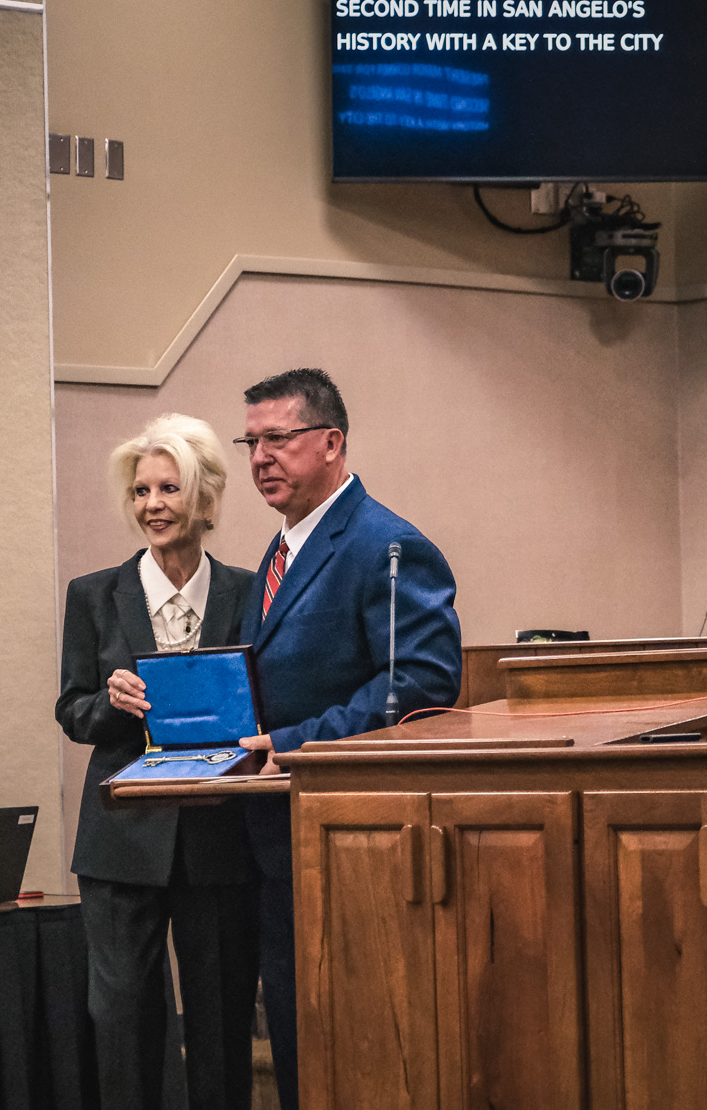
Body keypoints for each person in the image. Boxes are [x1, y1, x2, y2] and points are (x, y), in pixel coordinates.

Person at [232, 368, 462, 1109]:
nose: (260, 457)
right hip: (280, 837)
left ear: (331, 443)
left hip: (353, 839)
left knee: (355, 1044)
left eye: (278, 438)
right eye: (251, 442)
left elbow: (420, 683)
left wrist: (295, 744)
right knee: (298, 1040)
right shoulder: (279, 551)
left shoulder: (387, 543)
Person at [57, 414, 259, 1110]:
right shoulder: (93, 594)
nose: (152, 505)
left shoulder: (248, 592)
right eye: (141, 491)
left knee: (222, 1025)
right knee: (122, 1026)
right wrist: (111, 702)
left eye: (169, 488)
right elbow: (72, 711)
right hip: (120, 848)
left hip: (220, 843)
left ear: (204, 497)